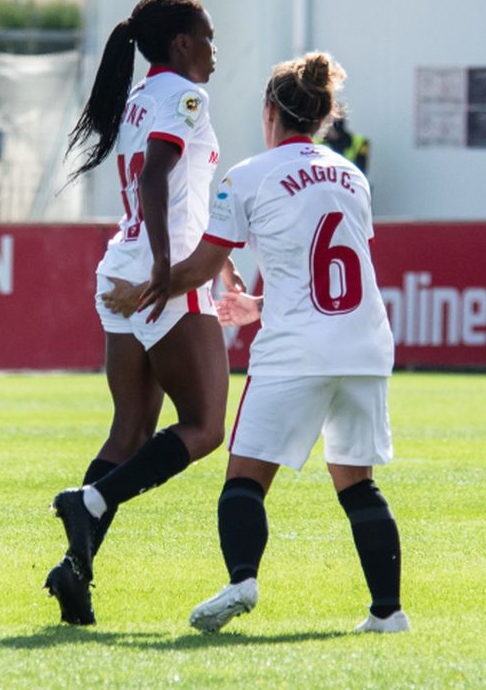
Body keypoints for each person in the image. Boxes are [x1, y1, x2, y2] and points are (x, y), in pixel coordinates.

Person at [105, 52, 406, 632]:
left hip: (295, 352)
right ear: (322, 117)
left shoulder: (249, 175)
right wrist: (259, 305)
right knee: (358, 484)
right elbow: (337, 277)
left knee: (244, 477)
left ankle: (242, 580)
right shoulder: (353, 175)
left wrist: (142, 290)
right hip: (365, 346)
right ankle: (388, 613)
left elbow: (199, 269)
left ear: (270, 111)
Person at [46, 0, 233, 626]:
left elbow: (173, 188)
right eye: (207, 35)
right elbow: (156, 177)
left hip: (118, 266)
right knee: (206, 427)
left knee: (128, 432)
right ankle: (93, 501)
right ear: (181, 43)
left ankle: (73, 571)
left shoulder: (136, 97)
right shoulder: (186, 97)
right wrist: (165, 271)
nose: (214, 48)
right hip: (163, 272)